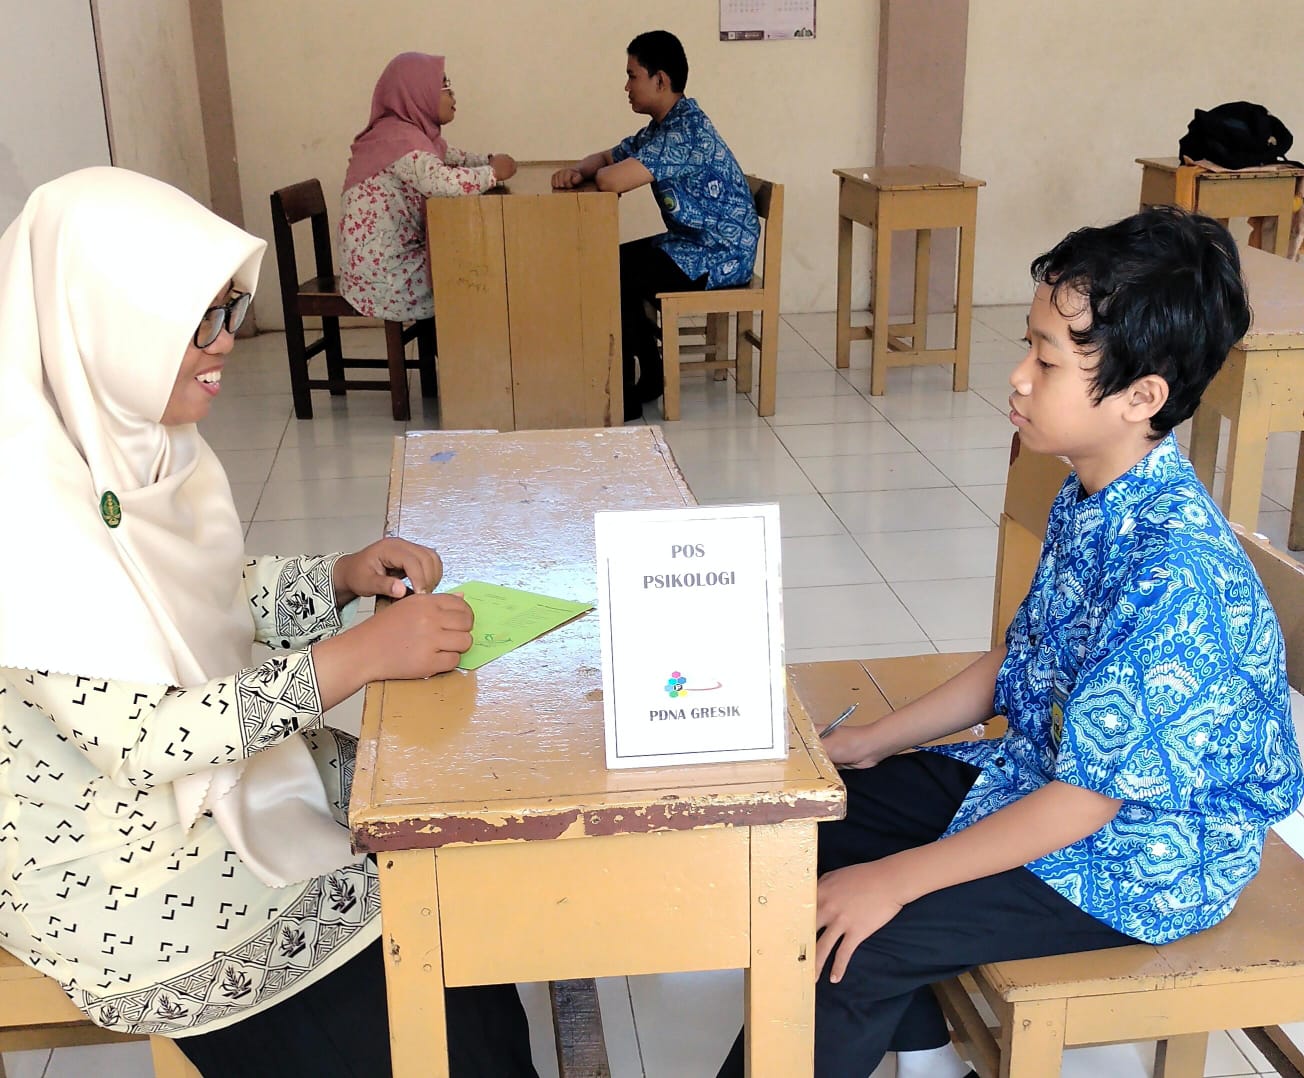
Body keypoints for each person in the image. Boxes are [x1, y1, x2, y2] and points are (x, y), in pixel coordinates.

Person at [717, 206, 1304, 1078]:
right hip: (1044, 779)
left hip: (1140, 859)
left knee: (847, 942)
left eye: (1046, 358)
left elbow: (1089, 804)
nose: (1018, 377)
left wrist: (902, 877)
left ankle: (884, 1020)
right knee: (809, 819)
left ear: (1143, 397)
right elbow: (1017, 660)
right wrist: (863, 744)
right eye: (1027, 346)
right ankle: (923, 1052)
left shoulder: (1178, 577)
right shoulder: (1092, 488)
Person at [0, 167, 538, 1078]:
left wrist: (340, 576)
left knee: (444, 873)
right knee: (415, 1011)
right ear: (104, 323)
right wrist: (353, 658)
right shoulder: (21, 515)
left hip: (215, 785)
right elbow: (147, 738)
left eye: (231, 314)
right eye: (195, 323)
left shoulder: (135, 445)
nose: (226, 345)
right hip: (122, 867)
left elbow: (196, 592)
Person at [552, 31, 760, 421]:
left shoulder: (684, 133)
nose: (626, 86)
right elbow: (607, 157)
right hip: (692, 243)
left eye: (633, 75)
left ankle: (636, 386)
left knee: (616, 271)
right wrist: (577, 171)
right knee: (609, 262)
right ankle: (649, 374)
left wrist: (596, 174)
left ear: (660, 80)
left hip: (719, 254)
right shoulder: (661, 127)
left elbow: (614, 179)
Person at [339, 51, 517, 322]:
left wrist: (488, 161)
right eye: (445, 86)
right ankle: (466, 356)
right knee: (472, 273)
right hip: (384, 278)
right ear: (417, 92)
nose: (453, 95)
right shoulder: (399, 141)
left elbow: (455, 159)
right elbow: (441, 183)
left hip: (393, 264)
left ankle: (463, 354)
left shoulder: (413, 136)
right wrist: (492, 173)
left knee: (469, 266)